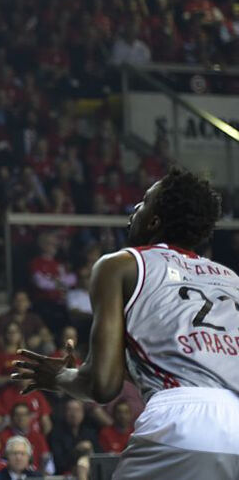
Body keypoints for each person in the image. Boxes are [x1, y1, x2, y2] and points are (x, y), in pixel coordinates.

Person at [13, 167, 239, 478]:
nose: (135, 209)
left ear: (155, 221)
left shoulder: (121, 264)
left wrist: (62, 378)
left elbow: (103, 386)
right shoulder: (230, 278)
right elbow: (196, 365)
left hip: (180, 420)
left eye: (144, 202)